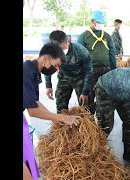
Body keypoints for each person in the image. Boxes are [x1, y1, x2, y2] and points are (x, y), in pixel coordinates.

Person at [23, 42, 80, 179]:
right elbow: (32, 110)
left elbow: (35, 102)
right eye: (55, 65)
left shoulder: (33, 71)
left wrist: (53, 115)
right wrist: (63, 118)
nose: (56, 69)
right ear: (45, 59)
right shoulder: (26, 72)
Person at [77, 10, 116, 114]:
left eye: (102, 22)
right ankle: (89, 122)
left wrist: (114, 71)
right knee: (88, 98)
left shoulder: (107, 36)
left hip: (106, 71)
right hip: (90, 71)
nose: (100, 24)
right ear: (92, 21)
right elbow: (79, 56)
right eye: (98, 22)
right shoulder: (84, 36)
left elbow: (112, 53)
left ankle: (103, 122)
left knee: (105, 98)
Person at [45, 30, 93, 114]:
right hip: (63, 77)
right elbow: (47, 67)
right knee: (60, 105)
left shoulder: (80, 51)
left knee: (86, 107)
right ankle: (63, 124)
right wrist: (48, 86)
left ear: (68, 41)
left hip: (80, 78)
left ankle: (87, 125)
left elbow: (89, 71)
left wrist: (85, 92)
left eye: (62, 48)